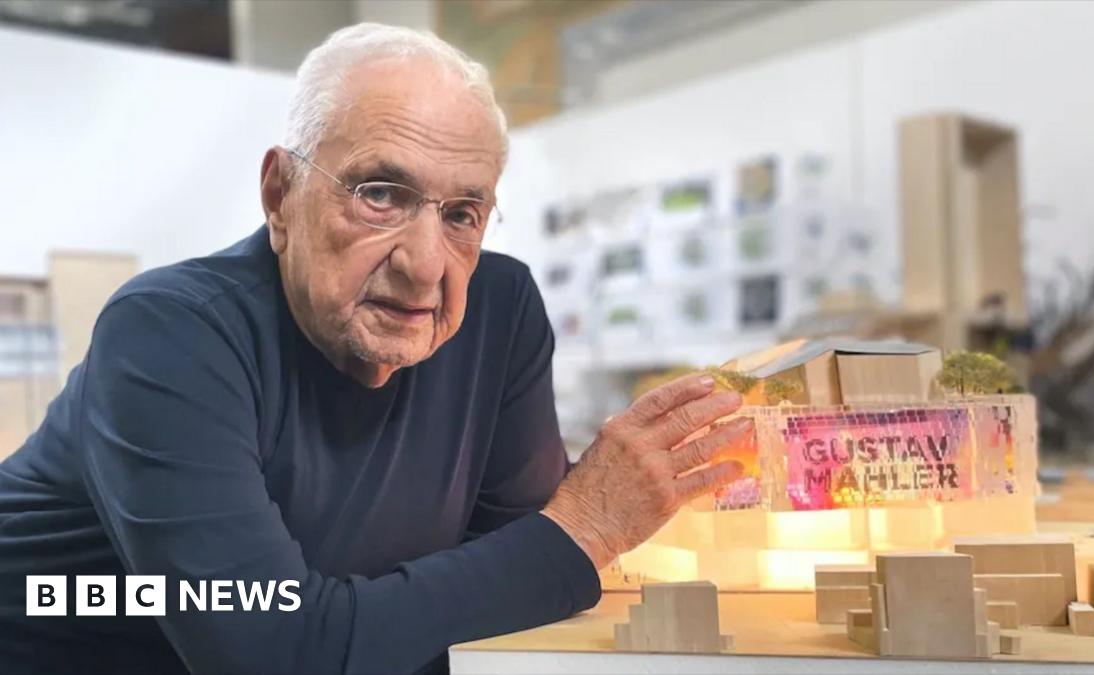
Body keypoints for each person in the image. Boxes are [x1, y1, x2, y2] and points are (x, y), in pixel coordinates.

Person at [0, 23, 748, 675]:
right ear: (279, 195)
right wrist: (585, 527)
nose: (426, 265)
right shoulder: (168, 333)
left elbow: (510, 590)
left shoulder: (499, 309)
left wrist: (544, 553)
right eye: (381, 193)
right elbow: (273, 650)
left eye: (463, 212)